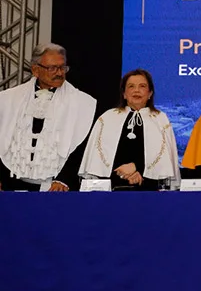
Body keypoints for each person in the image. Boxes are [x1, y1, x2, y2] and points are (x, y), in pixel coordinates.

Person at [0, 43, 96, 192]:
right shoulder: (8, 99)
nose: (59, 73)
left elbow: (81, 147)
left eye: (62, 67)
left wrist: (64, 180)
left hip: (55, 188)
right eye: (52, 68)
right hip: (12, 185)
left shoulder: (83, 103)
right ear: (35, 70)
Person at [79, 69, 180, 190]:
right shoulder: (107, 118)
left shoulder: (160, 119)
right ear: (124, 94)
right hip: (111, 188)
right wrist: (124, 174)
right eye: (131, 86)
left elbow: (164, 160)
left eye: (142, 86)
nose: (136, 90)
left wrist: (138, 169)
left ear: (150, 93)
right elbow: (99, 159)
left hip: (149, 189)